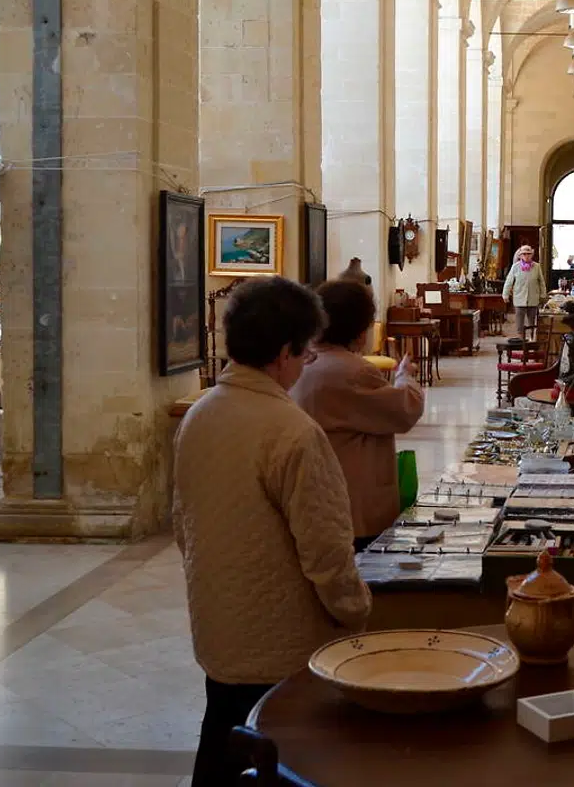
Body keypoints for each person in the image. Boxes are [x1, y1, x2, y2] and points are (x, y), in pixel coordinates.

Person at [172, 276, 371, 787]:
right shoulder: (291, 430)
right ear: (283, 353)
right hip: (280, 639)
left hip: (218, 622)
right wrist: (356, 611)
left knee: (220, 737)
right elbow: (325, 550)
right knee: (283, 755)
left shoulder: (200, 414)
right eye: (305, 354)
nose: (307, 365)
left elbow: (183, 523)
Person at [291, 280, 425, 550]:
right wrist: (405, 378)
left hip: (314, 494)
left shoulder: (300, 363)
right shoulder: (353, 371)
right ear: (361, 330)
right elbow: (404, 410)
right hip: (353, 497)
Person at [501, 244, 547, 339]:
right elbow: (509, 281)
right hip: (519, 299)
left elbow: (541, 282)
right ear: (520, 256)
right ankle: (521, 341)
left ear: (531, 255)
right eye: (524, 254)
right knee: (519, 323)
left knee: (532, 322)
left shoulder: (537, 267)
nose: (526, 256)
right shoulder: (515, 267)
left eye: (528, 254)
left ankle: (531, 340)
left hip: (533, 299)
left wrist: (543, 295)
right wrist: (505, 294)